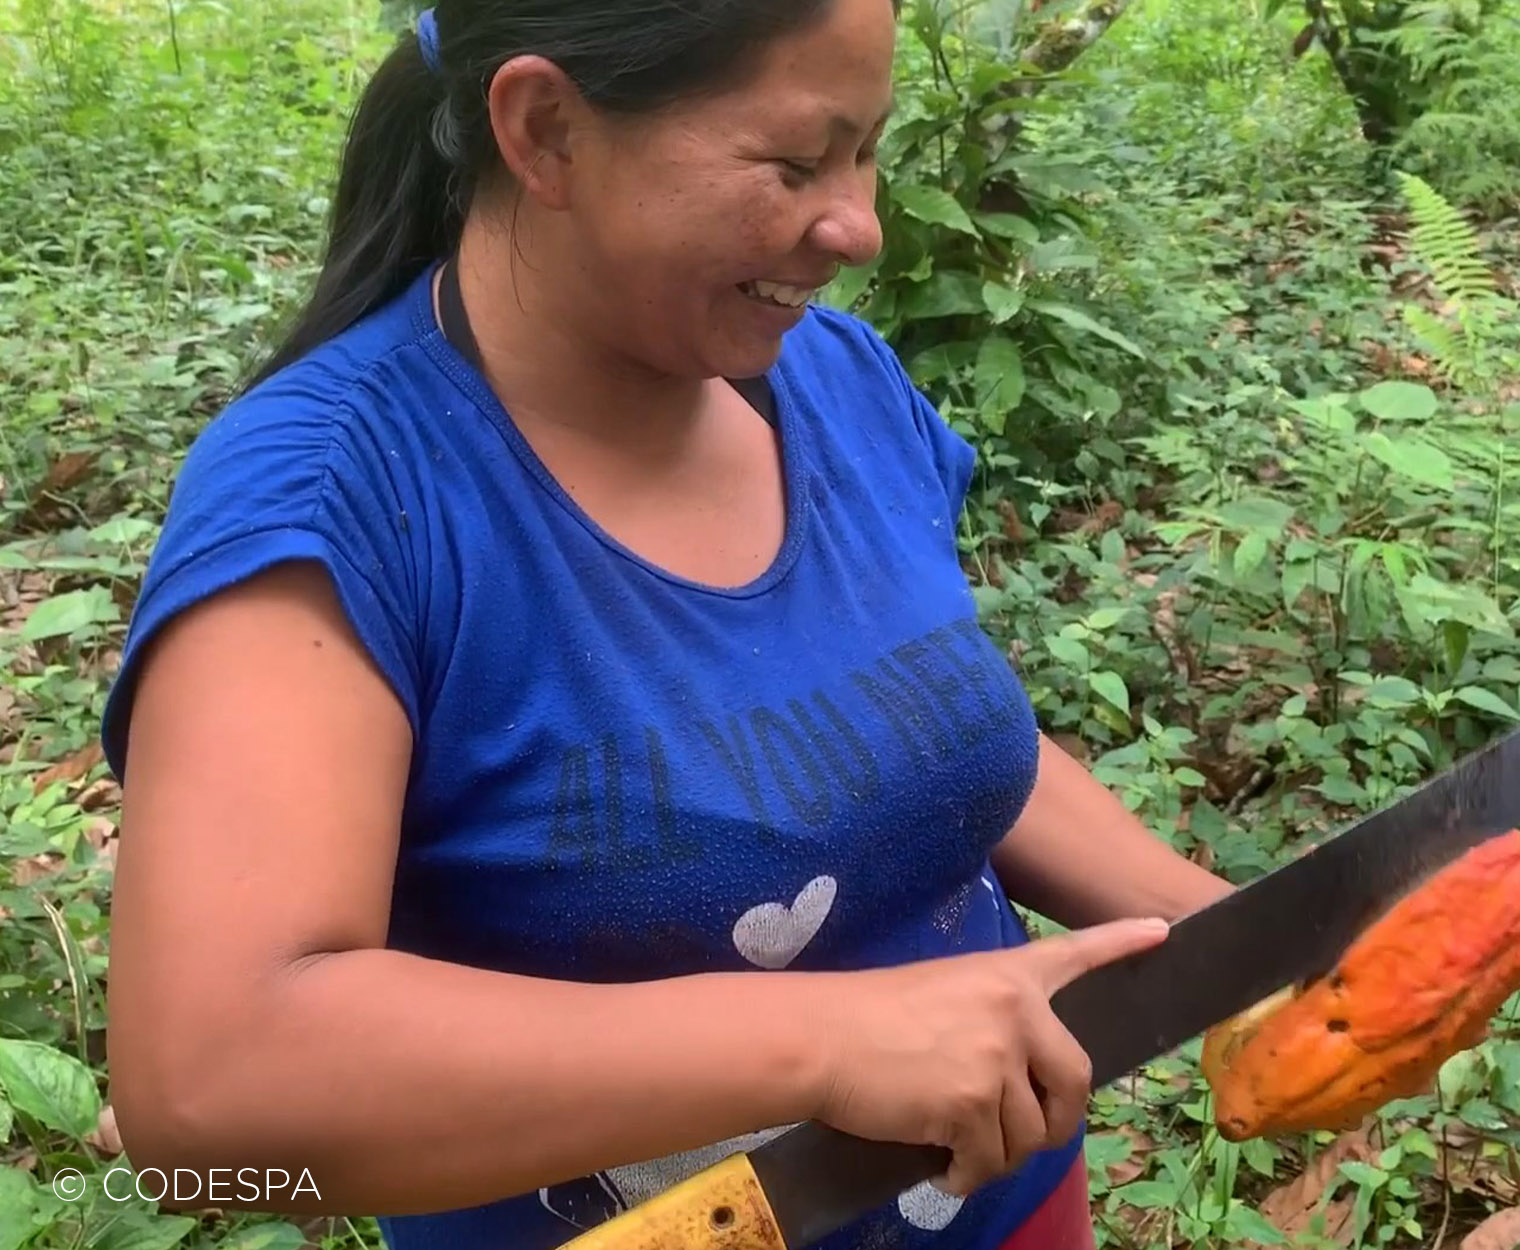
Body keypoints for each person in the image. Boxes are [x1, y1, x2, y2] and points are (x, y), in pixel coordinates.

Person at [94, 2, 1237, 1249]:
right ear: (547, 131)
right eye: (797, 162)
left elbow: (915, 733)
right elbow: (208, 1097)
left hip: (1014, 1207)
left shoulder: (837, 380)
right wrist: (828, 1043)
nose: (858, 225)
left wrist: (1236, 939)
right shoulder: (341, 499)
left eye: (868, 151)